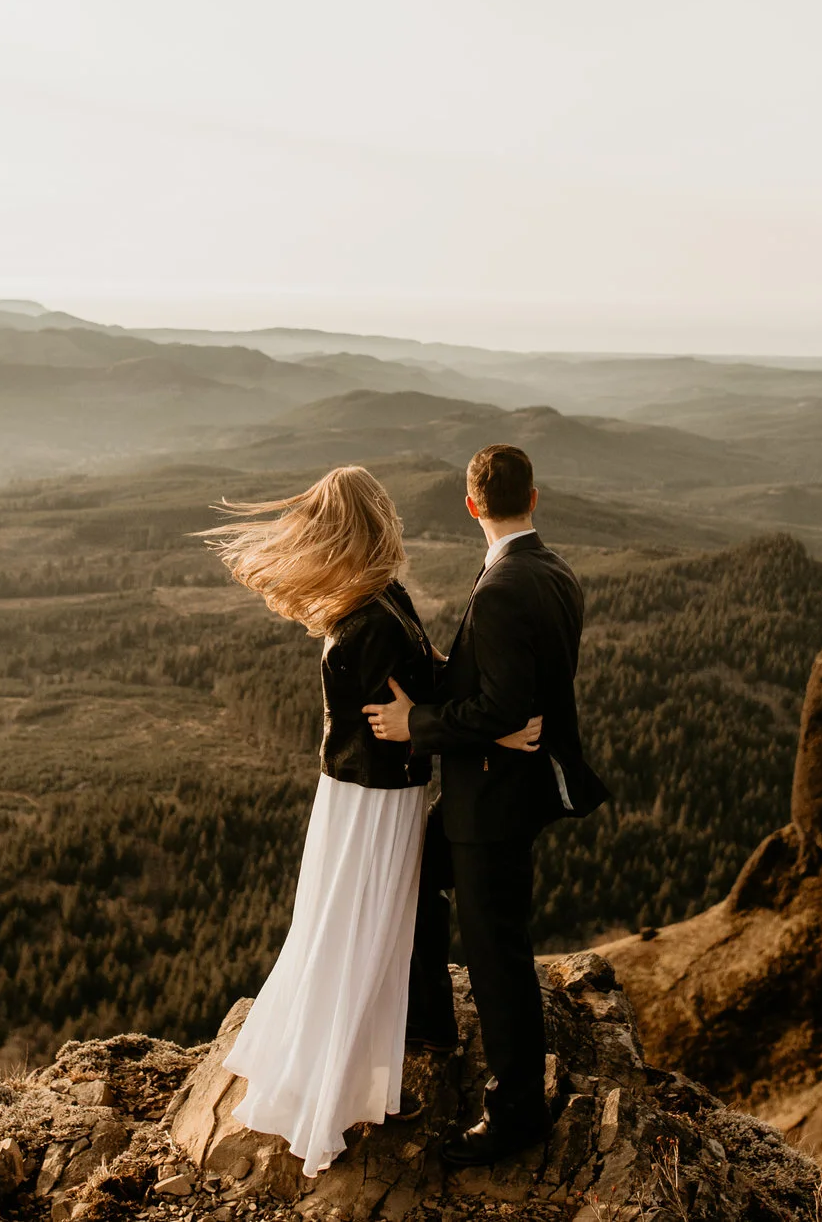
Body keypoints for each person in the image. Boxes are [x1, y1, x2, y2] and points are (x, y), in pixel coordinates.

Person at [198, 465, 545, 1177]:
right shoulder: (371, 617)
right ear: (373, 521)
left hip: (369, 795)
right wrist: (499, 733)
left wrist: (472, 715)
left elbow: (429, 681)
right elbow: (411, 713)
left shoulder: (372, 599)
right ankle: (336, 1090)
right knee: (363, 930)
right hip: (373, 798)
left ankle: (353, 1070)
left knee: (360, 926)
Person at [365, 443, 610, 1169]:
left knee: (498, 953)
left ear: (472, 505)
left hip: (492, 803)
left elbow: (503, 698)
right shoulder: (553, 569)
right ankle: (432, 1019)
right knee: (414, 874)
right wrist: (465, 689)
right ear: (535, 496)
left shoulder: (502, 584)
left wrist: (419, 725)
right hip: (502, 791)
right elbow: (507, 682)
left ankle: (516, 1113)